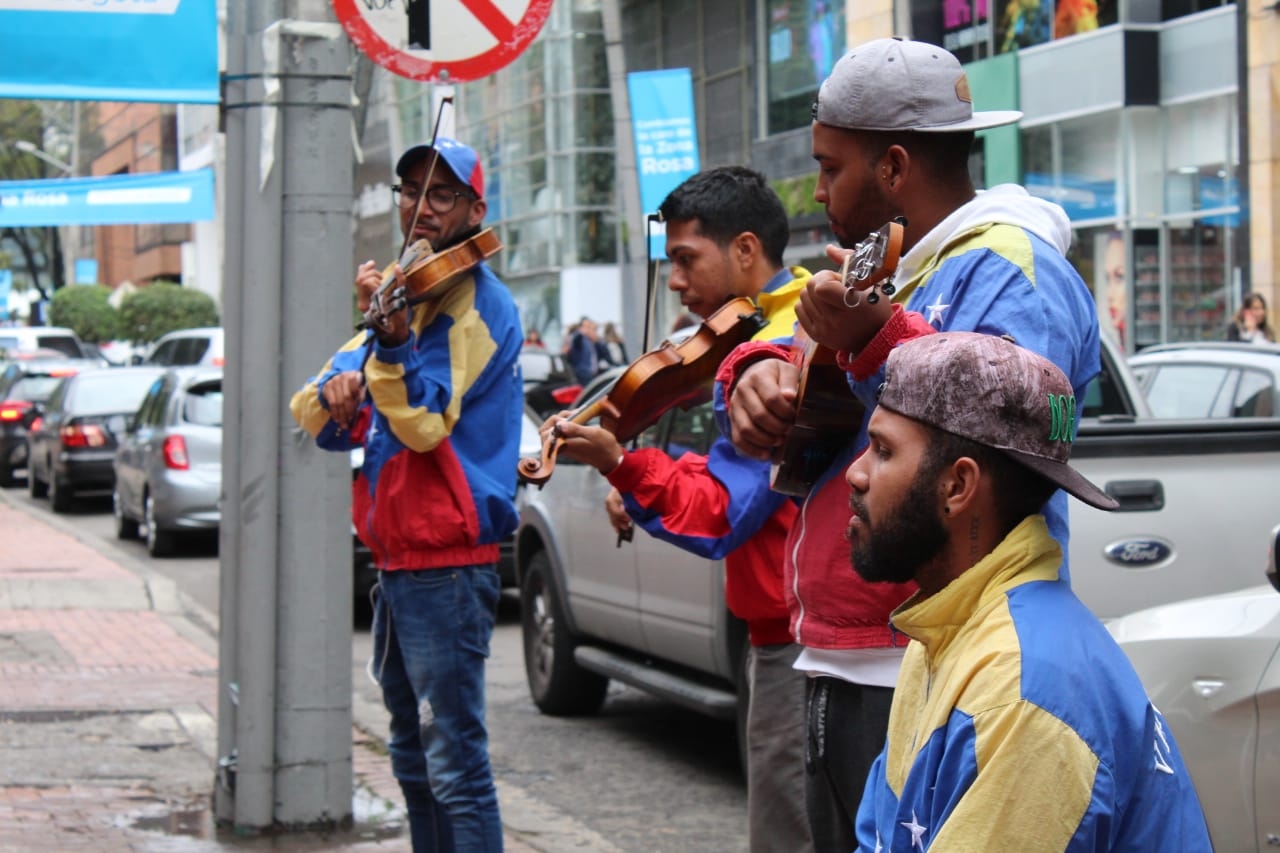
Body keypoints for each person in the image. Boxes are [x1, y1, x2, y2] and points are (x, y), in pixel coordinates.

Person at [718, 37, 1104, 852]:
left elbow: (1019, 436)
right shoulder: (888, 260)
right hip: (857, 648)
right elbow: (789, 335)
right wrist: (754, 370)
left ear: (893, 166)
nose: (817, 191)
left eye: (831, 168)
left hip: (932, 654)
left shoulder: (1014, 268)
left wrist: (878, 339)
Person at [848, 331, 1211, 850]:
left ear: (957, 486)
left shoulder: (1021, 693)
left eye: (882, 451)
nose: (855, 473)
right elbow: (882, 834)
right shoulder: (949, 627)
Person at [549, 166, 815, 853]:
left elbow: (726, 511)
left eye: (686, 259)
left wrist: (622, 461)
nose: (673, 281)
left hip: (799, 640)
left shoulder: (777, 350)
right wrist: (639, 475)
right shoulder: (798, 313)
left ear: (747, 251)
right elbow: (754, 477)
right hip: (797, 632)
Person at [290, 136, 523, 852]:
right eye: (409, 191)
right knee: (414, 760)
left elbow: (422, 424)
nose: (419, 208)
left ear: (476, 209)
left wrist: (388, 350)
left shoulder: (478, 304)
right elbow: (310, 410)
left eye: (441, 195)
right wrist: (343, 393)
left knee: (452, 762)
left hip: (448, 564)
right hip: (400, 563)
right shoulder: (400, 291)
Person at [565, 316, 601, 383]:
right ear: (580, 328)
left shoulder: (588, 340)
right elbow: (575, 339)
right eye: (586, 326)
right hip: (583, 374)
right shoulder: (580, 338)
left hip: (591, 373)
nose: (588, 329)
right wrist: (580, 332)